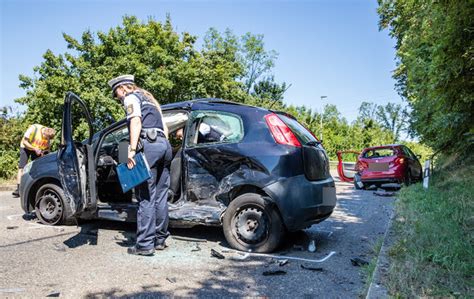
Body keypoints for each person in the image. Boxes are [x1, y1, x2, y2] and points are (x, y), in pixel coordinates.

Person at [108, 74, 172, 256]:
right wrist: (160, 146)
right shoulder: (151, 99)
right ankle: (160, 239)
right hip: (164, 146)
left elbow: (135, 121)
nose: (119, 98)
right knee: (160, 197)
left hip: (149, 145)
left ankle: (144, 245)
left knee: (145, 197)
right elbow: (165, 129)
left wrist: (131, 150)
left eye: (117, 95)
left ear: (121, 88)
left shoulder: (131, 97)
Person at [12, 124, 56, 197]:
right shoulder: (34, 128)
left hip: (37, 149)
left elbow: (47, 149)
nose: (47, 139)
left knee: (37, 168)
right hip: (25, 147)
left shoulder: (48, 136)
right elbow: (25, 142)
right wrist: (34, 148)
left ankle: (35, 186)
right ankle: (18, 190)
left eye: (48, 139)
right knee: (22, 168)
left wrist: (43, 153)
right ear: (44, 132)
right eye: (46, 137)